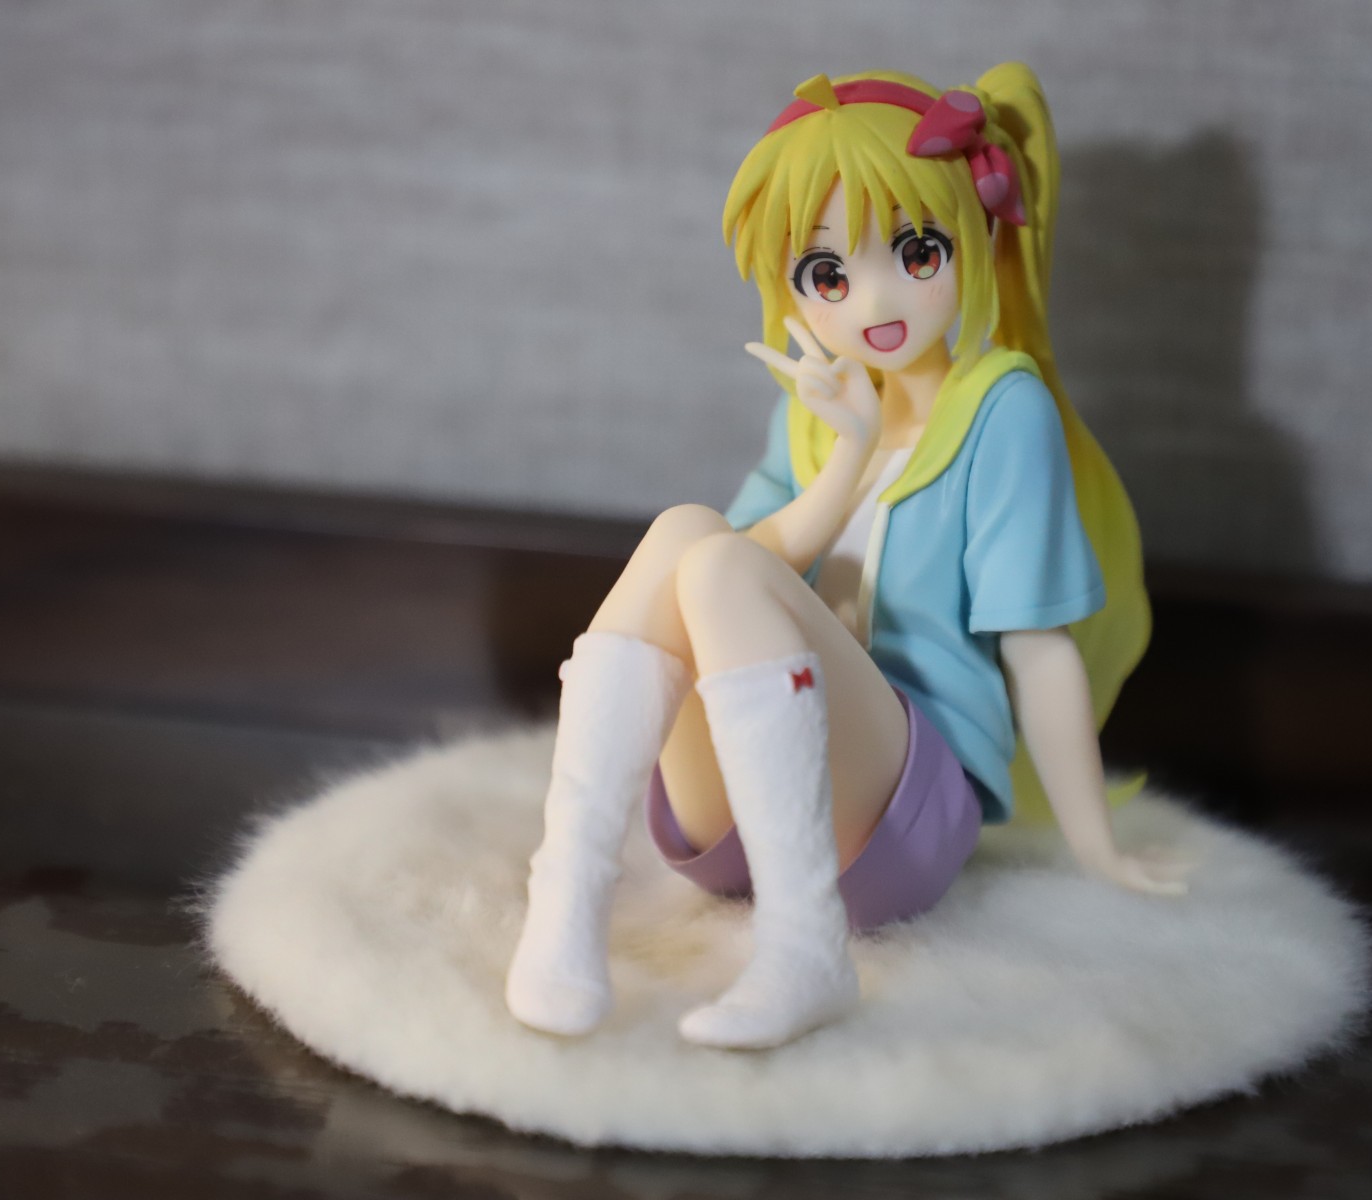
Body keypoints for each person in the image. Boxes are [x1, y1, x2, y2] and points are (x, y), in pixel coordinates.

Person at [506, 64, 1190, 1052]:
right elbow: (713, 577)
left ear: (973, 238)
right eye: (828, 275)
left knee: (719, 563)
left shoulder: (1001, 408)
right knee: (688, 533)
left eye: (916, 252)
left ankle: (803, 949)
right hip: (733, 826)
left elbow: (1037, 649)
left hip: (902, 820)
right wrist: (848, 454)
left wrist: (1097, 849)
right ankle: (567, 895)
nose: (874, 299)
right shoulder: (819, 409)